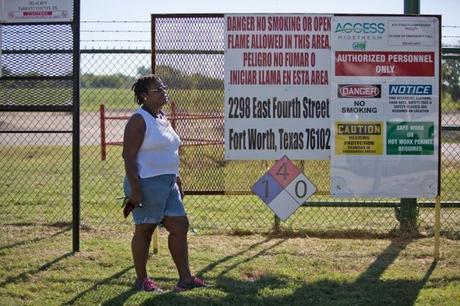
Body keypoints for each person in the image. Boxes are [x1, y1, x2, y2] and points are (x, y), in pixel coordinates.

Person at [122, 74, 206, 292]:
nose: (163, 91)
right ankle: (142, 281)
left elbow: (169, 150)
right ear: (144, 96)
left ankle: (185, 280)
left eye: (163, 88)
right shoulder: (138, 120)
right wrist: (136, 189)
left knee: (180, 225)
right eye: (157, 89)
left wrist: (176, 178)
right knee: (145, 230)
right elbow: (128, 157)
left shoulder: (161, 117)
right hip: (146, 182)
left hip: (168, 184)